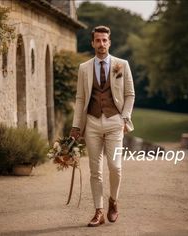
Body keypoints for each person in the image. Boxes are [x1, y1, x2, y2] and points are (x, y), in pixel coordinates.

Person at [70, 25, 135, 227]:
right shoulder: (84, 68)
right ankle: (98, 211)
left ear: (109, 42)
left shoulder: (122, 65)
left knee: (115, 167)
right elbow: (80, 98)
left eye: (104, 40)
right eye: (97, 40)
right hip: (91, 123)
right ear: (92, 43)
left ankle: (113, 201)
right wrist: (75, 126)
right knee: (95, 170)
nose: (101, 44)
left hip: (115, 122)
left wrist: (125, 118)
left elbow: (129, 94)